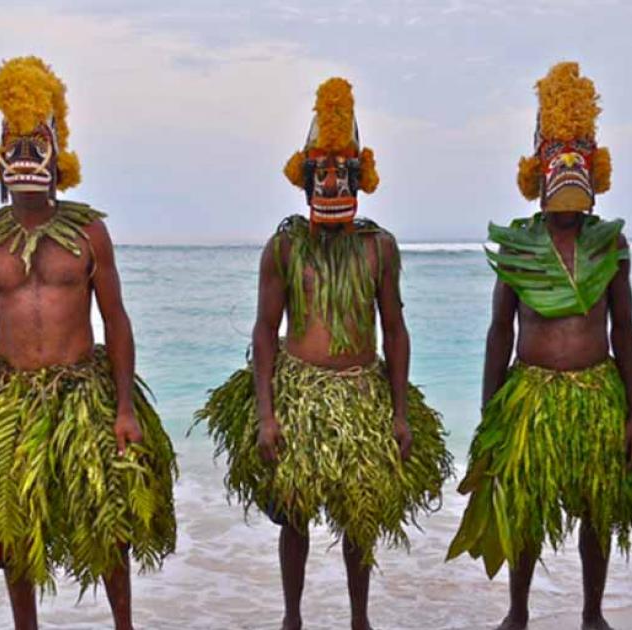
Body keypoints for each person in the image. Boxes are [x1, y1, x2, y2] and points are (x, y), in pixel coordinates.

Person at [0, 56, 177, 630]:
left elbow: (117, 320)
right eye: (14, 143)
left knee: (108, 518)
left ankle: (123, 624)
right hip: (9, 394)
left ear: (59, 156)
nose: (26, 154)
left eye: (38, 142)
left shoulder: (88, 235)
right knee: (12, 522)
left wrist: (125, 407)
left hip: (83, 390)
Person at [194, 77, 452, 630]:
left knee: (359, 517)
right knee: (295, 515)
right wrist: (266, 413)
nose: (332, 180)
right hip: (298, 390)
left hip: (361, 391)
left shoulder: (378, 247)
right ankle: (293, 618)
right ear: (305, 178)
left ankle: (360, 619)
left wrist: (400, 413)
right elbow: (265, 331)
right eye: (322, 171)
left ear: (361, 177)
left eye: (342, 171)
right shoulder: (284, 247)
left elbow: (396, 329)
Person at [446, 62, 632, 630]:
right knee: (524, 510)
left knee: (596, 511)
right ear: (538, 172)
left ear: (595, 170)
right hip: (530, 395)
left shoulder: (611, 243)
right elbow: (499, 332)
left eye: (578, 161)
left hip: (595, 393)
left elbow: (623, 330)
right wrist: (490, 416)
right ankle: (518, 612)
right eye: (558, 162)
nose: (568, 174)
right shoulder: (519, 245)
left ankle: (592, 614)